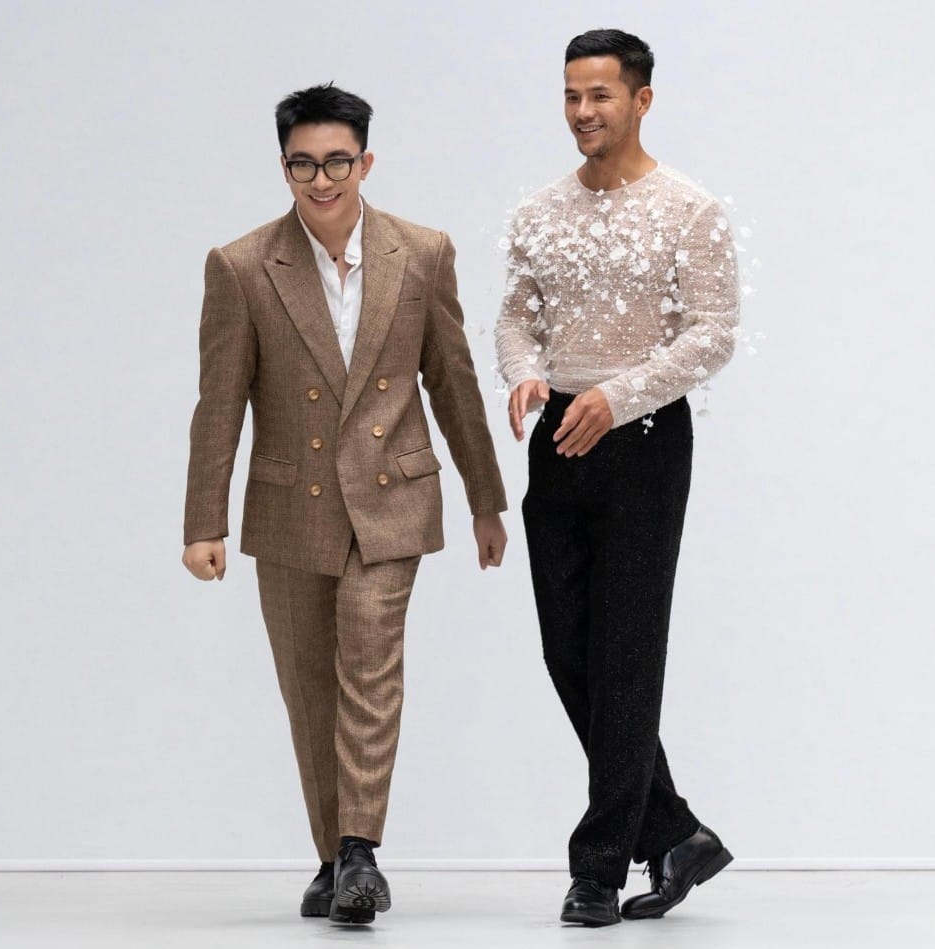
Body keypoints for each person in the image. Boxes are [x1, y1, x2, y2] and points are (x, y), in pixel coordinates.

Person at [182, 83, 508, 926]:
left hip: (392, 500)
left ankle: (360, 850)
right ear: (283, 167)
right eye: (303, 164)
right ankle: (331, 856)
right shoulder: (241, 264)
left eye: (336, 162)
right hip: (289, 506)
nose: (321, 180)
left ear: (366, 162)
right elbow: (219, 401)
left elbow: (453, 379)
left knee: (369, 664)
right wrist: (203, 522)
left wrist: (484, 497)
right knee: (308, 688)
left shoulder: (422, 251)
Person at [495, 29, 740, 926]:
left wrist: (618, 394)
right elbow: (515, 316)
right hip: (557, 436)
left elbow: (712, 333)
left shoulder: (688, 209)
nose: (581, 111)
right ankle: (674, 832)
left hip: (642, 440)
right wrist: (525, 372)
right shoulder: (539, 211)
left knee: (626, 654)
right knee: (569, 649)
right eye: (570, 95)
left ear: (641, 99)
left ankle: (598, 866)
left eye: (598, 95)